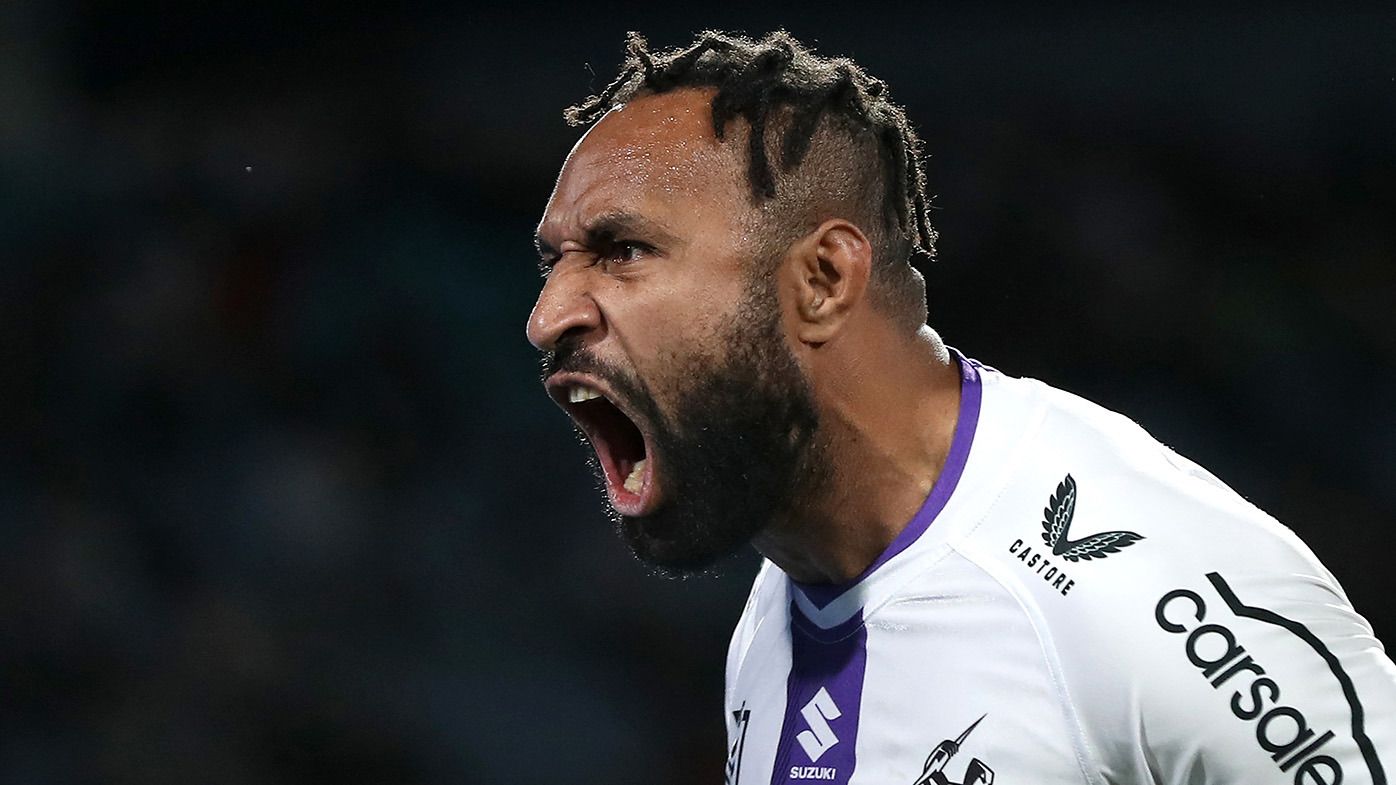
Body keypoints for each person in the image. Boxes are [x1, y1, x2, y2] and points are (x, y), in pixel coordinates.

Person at [526, 30, 1396, 785]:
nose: (546, 316)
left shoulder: (1149, 598)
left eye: (623, 250)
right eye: (553, 262)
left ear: (823, 281)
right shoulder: (781, 602)